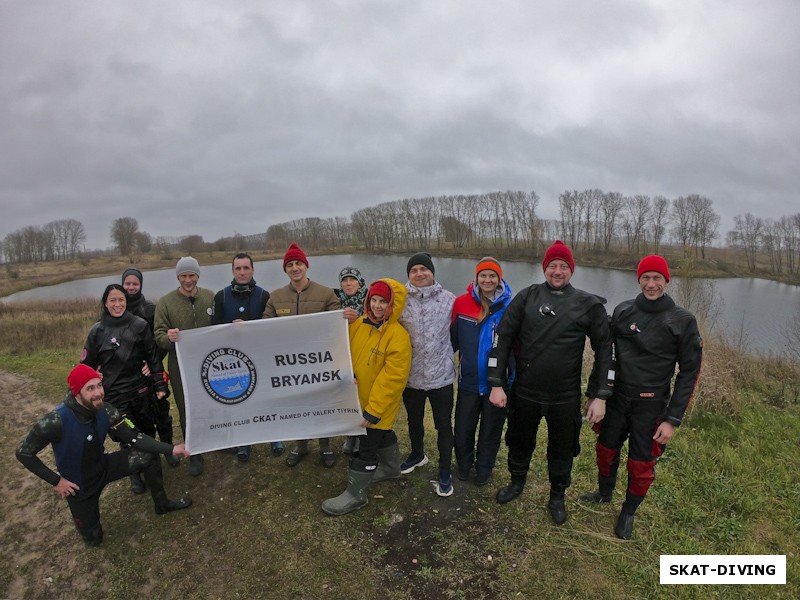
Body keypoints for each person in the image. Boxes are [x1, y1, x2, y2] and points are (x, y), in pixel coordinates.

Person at [487, 240, 612, 525]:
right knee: (519, 442)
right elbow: (502, 339)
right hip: (526, 390)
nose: (558, 271)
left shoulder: (587, 304)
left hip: (565, 395)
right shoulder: (527, 297)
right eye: (553, 266)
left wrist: (600, 395)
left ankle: (557, 496)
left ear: (572, 270)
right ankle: (516, 483)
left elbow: (605, 349)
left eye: (564, 267)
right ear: (545, 268)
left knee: (562, 448)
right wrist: (497, 383)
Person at [580, 255, 702, 539]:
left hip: (652, 405)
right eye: (646, 278)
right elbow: (605, 354)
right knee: (606, 449)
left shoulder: (683, 320)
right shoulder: (623, 311)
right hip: (617, 399)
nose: (651, 284)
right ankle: (604, 492)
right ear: (639, 279)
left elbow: (689, 372)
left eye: (657, 278)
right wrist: (597, 394)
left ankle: (628, 511)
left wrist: (672, 419)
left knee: (640, 463)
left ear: (666, 281)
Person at [16, 364, 192, 546]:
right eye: (90, 388)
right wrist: (57, 481)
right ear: (77, 392)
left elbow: (135, 438)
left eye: (99, 385)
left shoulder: (106, 410)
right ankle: (91, 530)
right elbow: (23, 453)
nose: (98, 393)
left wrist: (171, 449)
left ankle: (162, 504)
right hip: (79, 485)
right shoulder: (55, 420)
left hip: (104, 466)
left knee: (148, 455)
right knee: (94, 540)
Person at [322, 279, 412, 515]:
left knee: (368, 444)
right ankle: (392, 468)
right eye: (374, 300)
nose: (378, 306)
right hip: (357, 398)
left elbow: (392, 380)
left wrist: (373, 411)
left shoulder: (398, 336)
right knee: (382, 433)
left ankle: (356, 495)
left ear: (393, 305)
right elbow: (345, 352)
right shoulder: (359, 325)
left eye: (384, 301)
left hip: (378, 404)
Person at [80, 283, 172, 495]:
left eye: (121, 299)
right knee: (127, 438)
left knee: (147, 435)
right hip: (114, 397)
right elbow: (85, 367)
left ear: (126, 301)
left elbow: (153, 357)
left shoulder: (139, 325)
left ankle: (154, 476)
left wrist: (159, 384)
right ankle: (135, 475)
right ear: (105, 303)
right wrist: (94, 375)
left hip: (141, 392)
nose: (117, 304)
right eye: (112, 300)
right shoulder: (96, 331)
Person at [263, 242, 341, 468]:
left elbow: (336, 325)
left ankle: (325, 446)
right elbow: (264, 325)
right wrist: (243, 327)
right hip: (290, 364)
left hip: (319, 362)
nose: (295, 268)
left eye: (298, 263)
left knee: (321, 403)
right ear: (285, 269)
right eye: (290, 265)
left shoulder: (326, 293)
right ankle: (301, 445)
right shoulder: (276, 297)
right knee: (297, 405)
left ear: (306, 266)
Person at [211, 252, 284, 461]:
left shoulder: (263, 295)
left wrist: (251, 329)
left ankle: (274, 436)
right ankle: (244, 441)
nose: (242, 272)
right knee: (241, 399)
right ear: (232, 271)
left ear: (253, 270)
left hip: (261, 355)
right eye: (238, 268)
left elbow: (271, 327)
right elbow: (213, 332)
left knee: (267, 397)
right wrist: (229, 330)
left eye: (246, 268)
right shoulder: (221, 296)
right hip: (234, 360)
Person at [451, 257, 513, 486]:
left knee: (491, 431)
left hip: (496, 384)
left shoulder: (510, 306)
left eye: (492, 275)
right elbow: (452, 341)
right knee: (463, 428)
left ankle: (484, 468)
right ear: (476, 278)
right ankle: (464, 465)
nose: (487, 280)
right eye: (483, 275)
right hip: (468, 381)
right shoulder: (461, 304)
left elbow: (516, 347)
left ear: (499, 279)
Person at [399, 252, 457, 497]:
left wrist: (445, 355)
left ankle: (445, 470)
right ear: (409, 275)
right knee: (414, 420)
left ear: (433, 272)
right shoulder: (399, 300)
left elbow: (458, 332)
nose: (419, 273)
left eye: (424, 269)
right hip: (410, 377)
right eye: (414, 270)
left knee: (444, 425)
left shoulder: (449, 300)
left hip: (441, 377)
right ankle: (417, 454)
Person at [154, 256, 214, 476]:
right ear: (178, 277)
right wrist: (168, 337)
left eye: (191, 275)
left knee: (215, 401)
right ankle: (195, 452)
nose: (188, 280)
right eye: (183, 276)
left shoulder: (210, 297)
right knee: (186, 407)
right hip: (180, 366)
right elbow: (158, 335)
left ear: (198, 275)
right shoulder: (165, 302)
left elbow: (220, 327)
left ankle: (219, 441)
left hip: (210, 364)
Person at [122, 268, 178, 466]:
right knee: (131, 421)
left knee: (161, 413)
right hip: (126, 376)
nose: (130, 287)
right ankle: (138, 463)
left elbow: (160, 341)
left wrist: (151, 363)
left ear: (140, 285)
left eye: (134, 283)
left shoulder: (150, 309)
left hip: (152, 371)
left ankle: (168, 451)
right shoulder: (117, 308)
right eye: (127, 283)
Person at [335, 266, 368, 455]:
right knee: (347, 395)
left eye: (352, 279)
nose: (348, 283)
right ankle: (351, 435)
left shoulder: (369, 300)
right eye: (345, 280)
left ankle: (362, 437)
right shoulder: (335, 301)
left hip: (363, 352)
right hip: (344, 353)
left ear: (359, 281)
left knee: (362, 396)